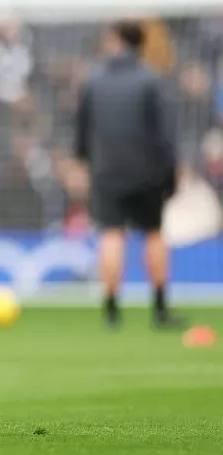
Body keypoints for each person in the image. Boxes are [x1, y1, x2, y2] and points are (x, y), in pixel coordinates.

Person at [75, 21, 183, 330]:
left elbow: (82, 130)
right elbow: (165, 133)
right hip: (147, 172)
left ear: (116, 39)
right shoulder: (151, 79)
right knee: (154, 233)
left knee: (111, 234)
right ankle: (160, 309)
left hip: (106, 170)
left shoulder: (94, 80)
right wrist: (171, 170)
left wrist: (85, 161)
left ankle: (111, 312)